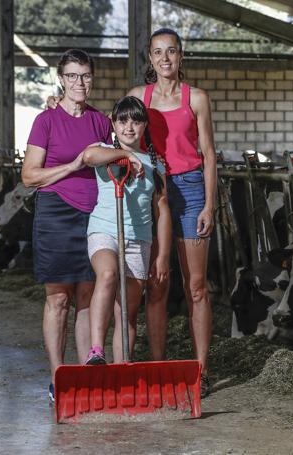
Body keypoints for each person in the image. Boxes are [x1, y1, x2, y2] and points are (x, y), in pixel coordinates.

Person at [127, 28, 217, 397]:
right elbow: (115, 130)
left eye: (172, 52)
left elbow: (209, 153)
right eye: (158, 52)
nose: (165, 59)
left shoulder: (196, 98)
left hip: (192, 189)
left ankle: (201, 370)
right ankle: (160, 365)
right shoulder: (138, 97)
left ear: (181, 57)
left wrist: (211, 204)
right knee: (157, 284)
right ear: (150, 58)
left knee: (196, 287)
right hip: (152, 190)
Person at [21, 49, 112, 402]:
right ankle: (58, 377)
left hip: (95, 213)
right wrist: (74, 165)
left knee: (87, 295)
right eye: (72, 76)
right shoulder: (45, 121)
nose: (79, 83)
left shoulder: (100, 122)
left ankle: (86, 373)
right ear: (61, 78)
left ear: (92, 79)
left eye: (85, 76)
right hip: (56, 211)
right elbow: (29, 176)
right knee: (58, 298)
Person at [81, 96, 170, 365]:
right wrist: (127, 154)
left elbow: (162, 211)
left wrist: (162, 255)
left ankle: (123, 369)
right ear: (113, 124)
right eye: (122, 121)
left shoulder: (156, 164)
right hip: (104, 231)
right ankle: (96, 350)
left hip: (138, 239)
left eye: (136, 121)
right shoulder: (104, 151)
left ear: (145, 126)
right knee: (107, 274)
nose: (129, 127)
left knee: (127, 313)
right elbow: (88, 156)